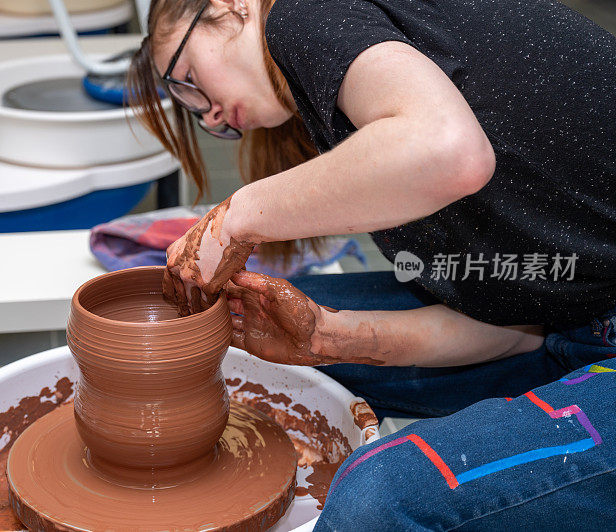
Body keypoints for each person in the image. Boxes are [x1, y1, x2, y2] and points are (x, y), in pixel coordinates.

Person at [127, 0, 616, 528]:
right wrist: (328, 338)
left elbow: (450, 150)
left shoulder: (304, 13)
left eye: (187, 81)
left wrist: (237, 216)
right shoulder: (346, 112)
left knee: (378, 499)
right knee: (244, 337)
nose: (211, 116)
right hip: (570, 315)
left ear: (231, 7)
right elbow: (517, 326)